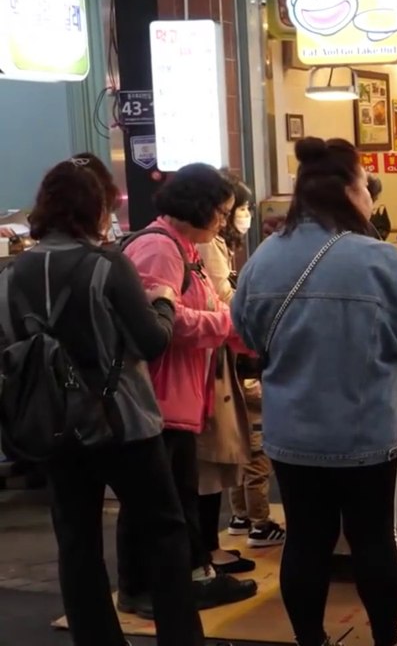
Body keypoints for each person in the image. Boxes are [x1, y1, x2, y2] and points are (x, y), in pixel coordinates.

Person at [232, 137, 397, 646]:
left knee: (306, 541)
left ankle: (311, 639)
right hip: (365, 429)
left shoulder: (266, 256)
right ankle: (385, 639)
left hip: (292, 428)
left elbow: (243, 328)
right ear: (351, 192)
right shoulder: (376, 257)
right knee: (373, 538)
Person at [0, 155, 208, 646]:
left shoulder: (13, 273)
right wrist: (162, 303)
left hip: (51, 425)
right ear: (94, 209)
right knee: (164, 533)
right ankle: (181, 639)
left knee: (76, 542)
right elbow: (153, 342)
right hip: (122, 423)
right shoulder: (105, 265)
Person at [118, 163, 258, 618]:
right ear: (196, 207)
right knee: (156, 502)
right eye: (219, 212)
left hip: (179, 397)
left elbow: (210, 309)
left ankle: (178, 582)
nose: (223, 220)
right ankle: (146, 590)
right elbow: (164, 323)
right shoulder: (159, 249)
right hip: (156, 396)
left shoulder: (184, 248)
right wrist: (226, 324)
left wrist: (240, 328)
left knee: (174, 498)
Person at [191, 172, 257, 575]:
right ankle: (204, 549)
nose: (238, 217)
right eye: (234, 210)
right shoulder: (204, 246)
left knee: (217, 457)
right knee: (212, 456)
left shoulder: (212, 243)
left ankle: (209, 544)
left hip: (215, 356)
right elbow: (221, 300)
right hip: (208, 363)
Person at [216, 184, 287, 549]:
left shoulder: (240, 256)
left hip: (238, 366)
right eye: (239, 208)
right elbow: (229, 308)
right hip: (246, 367)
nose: (244, 215)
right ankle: (260, 522)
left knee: (243, 447)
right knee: (256, 451)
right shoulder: (214, 250)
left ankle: (242, 517)